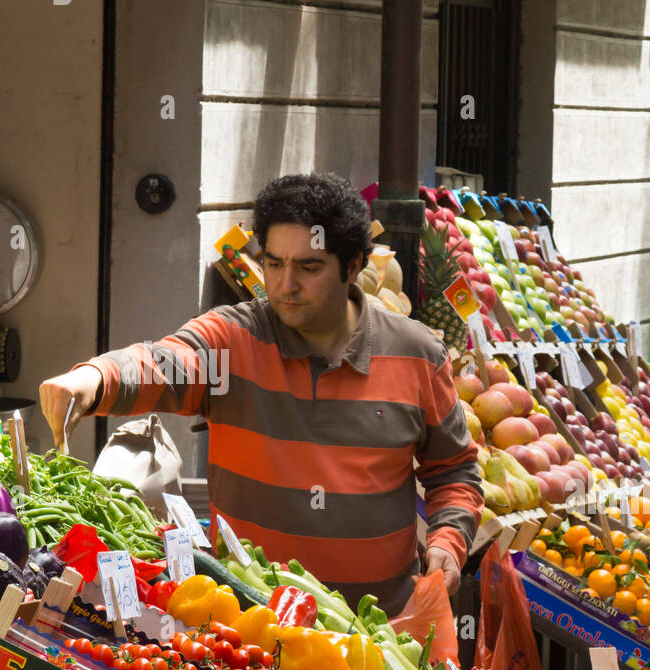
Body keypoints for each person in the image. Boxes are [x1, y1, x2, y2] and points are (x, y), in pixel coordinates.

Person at [38, 173, 481, 613]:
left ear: (353, 267)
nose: (285, 285)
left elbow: (454, 471)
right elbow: (165, 362)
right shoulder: (234, 341)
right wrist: (95, 379)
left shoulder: (417, 353)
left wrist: (448, 540)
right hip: (248, 632)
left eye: (308, 267)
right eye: (273, 263)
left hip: (383, 632)